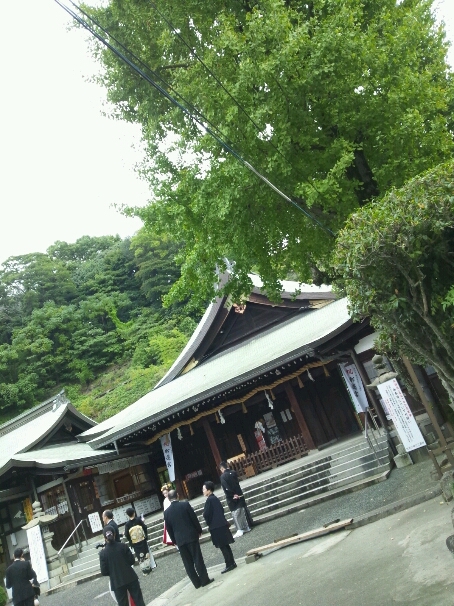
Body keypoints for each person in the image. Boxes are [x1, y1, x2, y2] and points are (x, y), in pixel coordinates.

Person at [164, 489, 214, 588]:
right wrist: (199, 530)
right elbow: (193, 518)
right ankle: (204, 579)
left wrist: (174, 541)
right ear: (177, 495)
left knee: (187, 563)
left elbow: (169, 529)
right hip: (191, 535)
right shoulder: (185, 505)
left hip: (179, 539)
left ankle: (196, 583)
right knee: (197, 558)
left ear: (169, 499)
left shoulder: (167, 513)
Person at [99, 526, 146, 606]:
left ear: (104, 537)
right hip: (130, 577)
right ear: (114, 534)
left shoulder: (103, 553)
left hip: (116, 581)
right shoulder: (123, 546)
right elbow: (132, 561)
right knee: (139, 601)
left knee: (123, 604)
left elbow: (104, 571)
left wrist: (112, 572)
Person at [202, 481, 237, 574]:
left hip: (216, 526)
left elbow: (206, 514)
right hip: (221, 524)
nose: (203, 491)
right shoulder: (215, 498)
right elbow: (221, 510)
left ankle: (229, 564)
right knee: (226, 545)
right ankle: (232, 562)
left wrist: (207, 518)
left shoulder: (209, 500)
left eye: (204, 489)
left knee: (223, 546)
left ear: (209, 490)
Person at [219, 461, 251, 538]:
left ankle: (240, 529)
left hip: (231, 496)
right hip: (239, 493)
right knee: (242, 511)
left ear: (222, 468)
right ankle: (246, 526)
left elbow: (226, 487)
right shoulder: (233, 472)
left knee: (236, 513)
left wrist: (232, 494)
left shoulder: (223, 477)